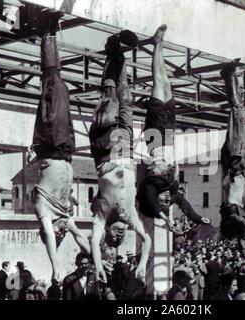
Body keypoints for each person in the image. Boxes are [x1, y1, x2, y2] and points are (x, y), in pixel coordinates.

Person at [31, 9, 90, 293]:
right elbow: (80, 237)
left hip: (50, 145)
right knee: (60, 88)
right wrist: (97, 260)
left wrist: (55, 267)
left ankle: (47, 31)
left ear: (48, 231)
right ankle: (48, 32)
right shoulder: (64, 218)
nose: (63, 231)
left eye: (58, 233)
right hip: (64, 151)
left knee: (53, 84)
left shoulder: (44, 213)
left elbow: (52, 242)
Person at [89, 28, 151, 286]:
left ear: (106, 233)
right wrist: (142, 263)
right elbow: (146, 239)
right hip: (125, 148)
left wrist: (97, 265)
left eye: (114, 237)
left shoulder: (102, 217)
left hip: (106, 150)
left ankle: (111, 51)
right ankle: (119, 52)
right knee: (125, 98)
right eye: (120, 238)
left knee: (109, 97)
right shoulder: (130, 218)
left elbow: (93, 240)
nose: (120, 235)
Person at [136, 24, 210, 232]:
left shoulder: (150, 186)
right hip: (168, 134)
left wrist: (165, 220)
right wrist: (196, 219)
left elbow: (150, 203)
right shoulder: (170, 187)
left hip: (156, 135)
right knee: (166, 84)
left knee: (158, 83)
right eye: (168, 201)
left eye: (164, 201)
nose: (168, 199)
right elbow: (184, 205)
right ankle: (158, 44)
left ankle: (157, 44)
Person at [219, 61, 245, 245]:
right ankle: (231, 77)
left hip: (236, 159)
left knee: (238, 112)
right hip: (237, 161)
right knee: (237, 112)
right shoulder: (237, 210)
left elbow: (237, 220)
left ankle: (230, 75)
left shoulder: (233, 212)